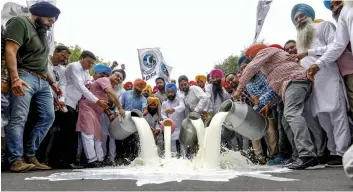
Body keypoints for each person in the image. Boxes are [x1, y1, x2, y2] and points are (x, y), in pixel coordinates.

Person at [233, 43, 319, 170]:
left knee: (291, 114)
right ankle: (299, 155)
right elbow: (274, 90)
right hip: (291, 84)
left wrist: (239, 90)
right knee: (287, 120)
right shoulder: (271, 65)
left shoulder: (266, 51)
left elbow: (251, 68)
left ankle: (307, 154)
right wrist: (267, 104)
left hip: (295, 81)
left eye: (251, 57)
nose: (251, 59)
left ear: (255, 52)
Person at [4, 1, 62, 172]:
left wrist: (53, 84)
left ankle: (30, 155)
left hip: (43, 80)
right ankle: (16, 159)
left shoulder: (42, 32)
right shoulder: (20, 23)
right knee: (19, 117)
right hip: (24, 75)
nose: (51, 25)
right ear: (40, 14)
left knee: (48, 117)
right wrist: (14, 79)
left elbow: (44, 62)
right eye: (50, 21)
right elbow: (10, 50)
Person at [292, 3, 351, 165]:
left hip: (328, 74)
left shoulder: (324, 26)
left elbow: (336, 46)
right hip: (313, 83)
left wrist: (310, 54)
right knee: (323, 118)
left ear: (310, 15)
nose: (299, 19)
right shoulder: (300, 43)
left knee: (337, 114)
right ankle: (332, 151)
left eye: (302, 15)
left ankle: (342, 152)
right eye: (296, 18)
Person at [76, 65, 125, 168]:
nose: (119, 78)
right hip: (86, 107)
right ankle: (91, 160)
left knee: (98, 136)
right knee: (88, 133)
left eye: (121, 79)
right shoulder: (104, 80)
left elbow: (105, 105)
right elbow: (110, 92)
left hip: (97, 112)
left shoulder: (109, 87)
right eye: (117, 75)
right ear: (110, 74)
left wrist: (110, 114)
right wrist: (120, 107)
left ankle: (100, 159)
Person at [304, 0, 352, 81]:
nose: (335, 9)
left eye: (337, 3)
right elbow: (338, 44)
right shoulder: (343, 16)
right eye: (332, 7)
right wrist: (318, 64)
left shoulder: (327, 25)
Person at [161, 83, 186, 156]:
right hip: (171, 129)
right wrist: (166, 119)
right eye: (168, 92)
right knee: (172, 148)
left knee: (182, 148)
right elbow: (162, 114)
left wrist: (174, 109)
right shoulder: (165, 103)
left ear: (175, 92)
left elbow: (182, 107)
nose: (170, 94)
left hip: (180, 128)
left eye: (172, 92)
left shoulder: (179, 99)